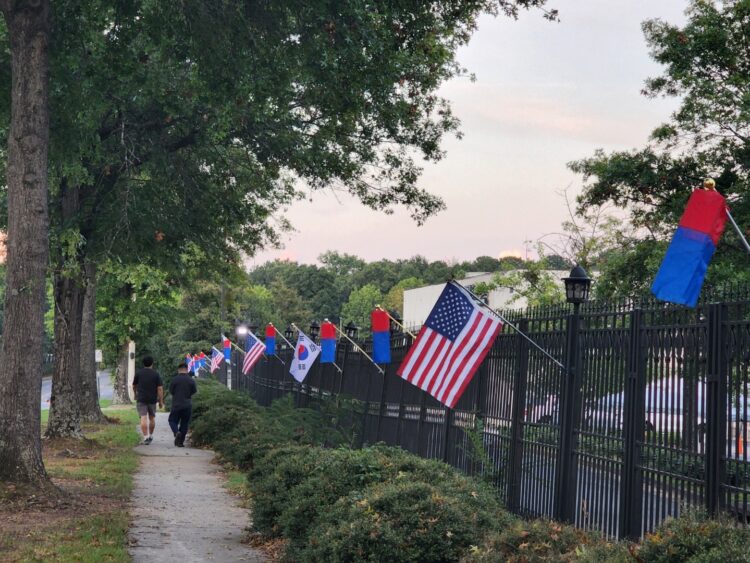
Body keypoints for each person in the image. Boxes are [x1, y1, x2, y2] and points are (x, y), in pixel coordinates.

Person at [132, 356, 164, 445]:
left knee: (143, 417)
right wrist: (161, 401)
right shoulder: (156, 374)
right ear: (152, 363)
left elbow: (134, 385)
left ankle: (146, 437)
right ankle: (151, 435)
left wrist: (135, 394)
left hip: (141, 398)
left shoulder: (138, 373)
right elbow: (160, 388)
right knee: (152, 418)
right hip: (152, 399)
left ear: (143, 363)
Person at [169, 362, 197, 447]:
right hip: (187, 405)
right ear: (187, 370)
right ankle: (180, 442)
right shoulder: (191, 380)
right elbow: (194, 391)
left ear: (178, 370)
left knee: (172, 420)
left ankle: (176, 432)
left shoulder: (174, 380)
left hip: (176, 404)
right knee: (184, 423)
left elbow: (171, 391)